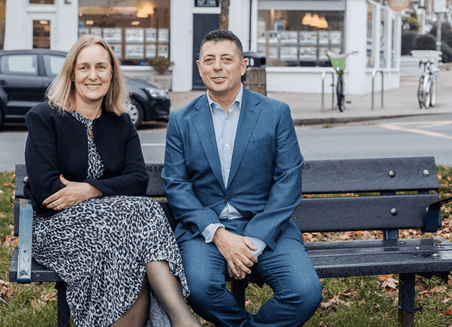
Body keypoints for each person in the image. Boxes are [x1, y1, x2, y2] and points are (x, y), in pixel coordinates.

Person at [23, 35, 200, 327]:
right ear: (71, 74)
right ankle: (181, 318)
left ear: (112, 74)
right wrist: (109, 194)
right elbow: (47, 191)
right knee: (145, 214)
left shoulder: (120, 121)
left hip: (119, 228)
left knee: (130, 243)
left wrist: (89, 189)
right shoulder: (44, 118)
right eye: (84, 68)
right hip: (56, 230)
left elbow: (138, 180)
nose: (93, 76)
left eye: (101, 67)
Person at [162, 29, 323, 327]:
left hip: (267, 227)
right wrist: (219, 235)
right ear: (199, 67)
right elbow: (176, 185)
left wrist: (252, 241)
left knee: (305, 292)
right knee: (198, 288)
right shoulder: (181, 120)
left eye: (226, 58)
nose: (217, 67)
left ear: (243, 65)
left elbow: (288, 181)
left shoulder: (275, 113)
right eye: (209, 60)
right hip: (205, 230)